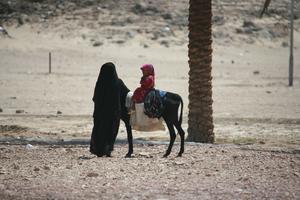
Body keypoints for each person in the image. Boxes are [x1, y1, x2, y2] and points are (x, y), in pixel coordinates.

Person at [90, 62, 129, 157]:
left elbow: (95, 98)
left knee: (99, 129)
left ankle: (98, 149)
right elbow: (127, 93)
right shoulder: (117, 82)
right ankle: (108, 149)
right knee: (111, 130)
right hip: (113, 113)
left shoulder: (99, 82)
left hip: (100, 112)